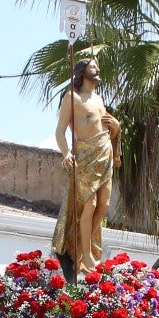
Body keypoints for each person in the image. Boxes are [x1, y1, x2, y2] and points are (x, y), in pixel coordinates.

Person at [52, 58, 120, 278]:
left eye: (98, 65)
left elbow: (108, 129)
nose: (97, 69)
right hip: (85, 155)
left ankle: (85, 244)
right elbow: (60, 131)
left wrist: (117, 128)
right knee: (88, 205)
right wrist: (66, 154)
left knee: (104, 204)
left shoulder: (99, 99)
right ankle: (86, 254)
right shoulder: (72, 98)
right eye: (93, 66)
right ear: (82, 71)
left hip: (104, 153)